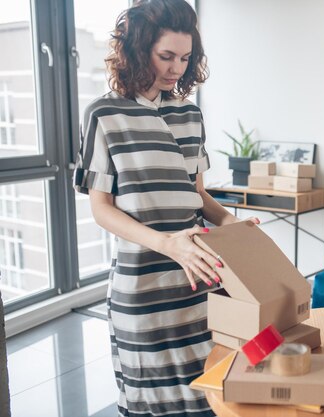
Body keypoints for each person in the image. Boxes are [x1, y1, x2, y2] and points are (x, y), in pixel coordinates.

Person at [73, 1, 255, 415]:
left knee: (212, 396)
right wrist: (167, 244)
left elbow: (198, 196)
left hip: (201, 281)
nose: (176, 68)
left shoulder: (191, 114)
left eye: (186, 58)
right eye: (166, 56)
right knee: (153, 403)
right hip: (143, 288)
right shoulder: (103, 115)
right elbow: (101, 209)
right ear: (138, 50)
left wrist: (231, 224)